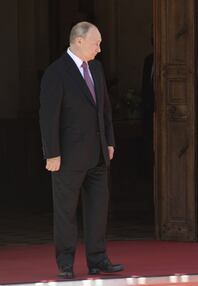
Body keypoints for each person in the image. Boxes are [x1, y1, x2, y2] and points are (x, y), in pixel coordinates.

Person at [39, 21, 123, 279]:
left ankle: (97, 259)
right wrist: (51, 153)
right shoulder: (56, 72)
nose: (99, 48)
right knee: (65, 213)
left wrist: (109, 142)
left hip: (97, 155)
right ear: (78, 41)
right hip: (68, 158)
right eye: (95, 43)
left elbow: (105, 110)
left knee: (98, 210)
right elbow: (48, 116)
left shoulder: (96, 69)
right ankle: (65, 263)